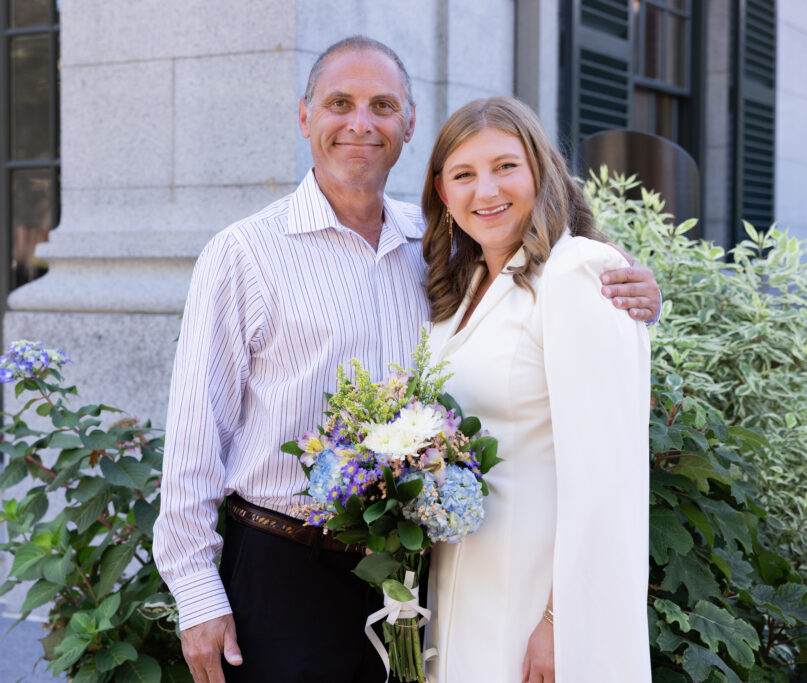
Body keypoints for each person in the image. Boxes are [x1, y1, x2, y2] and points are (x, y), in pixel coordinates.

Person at [152, 37, 659, 683]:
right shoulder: (244, 253)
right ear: (305, 117)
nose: (360, 123)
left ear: (408, 124)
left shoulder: (442, 247)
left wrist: (637, 300)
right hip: (289, 570)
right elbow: (196, 434)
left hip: (423, 569)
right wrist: (197, 594)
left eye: (382, 105)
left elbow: (549, 316)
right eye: (340, 103)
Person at [421, 96, 651, 682]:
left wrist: (560, 620)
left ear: (540, 173)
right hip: (457, 584)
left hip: (534, 602)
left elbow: (606, 473)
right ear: (444, 194)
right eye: (464, 175)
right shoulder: (456, 291)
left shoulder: (576, 273)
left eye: (505, 167)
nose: (486, 190)